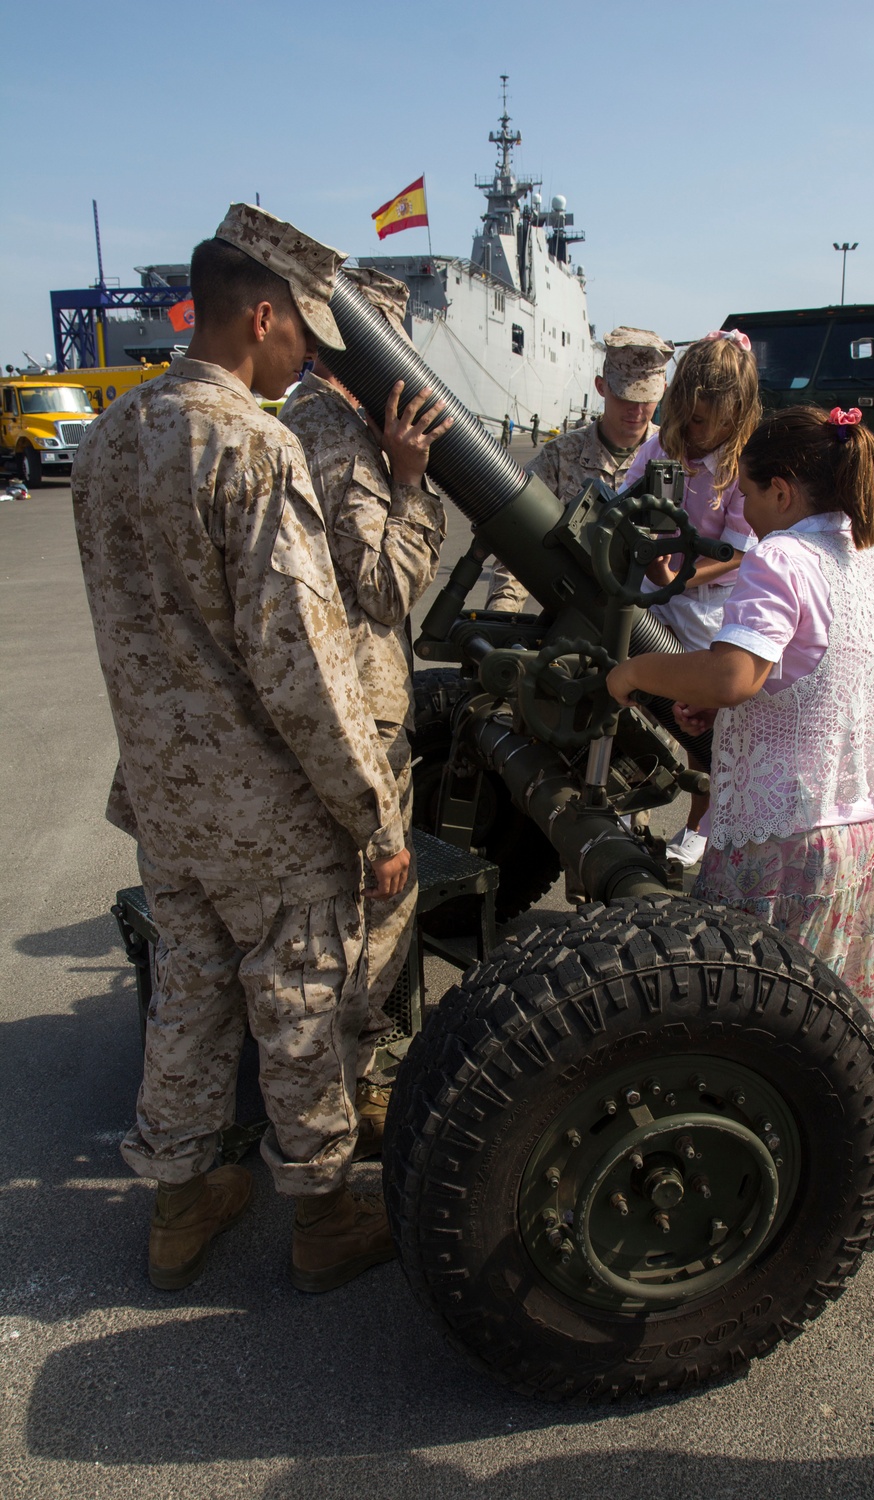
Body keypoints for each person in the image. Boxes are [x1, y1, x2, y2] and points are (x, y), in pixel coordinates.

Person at [72, 202, 427, 1296]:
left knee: (191, 989)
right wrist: (372, 815)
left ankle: (182, 1204)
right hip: (269, 809)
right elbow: (304, 664)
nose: (307, 353)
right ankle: (322, 1215)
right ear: (261, 316)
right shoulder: (252, 442)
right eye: (301, 332)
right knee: (301, 1000)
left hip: (168, 800)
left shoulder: (110, 438)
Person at [608, 406, 874, 1020]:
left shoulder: (783, 556)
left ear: (781, 490)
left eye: (746, 494)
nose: (745, 512)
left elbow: (732, 673)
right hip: (853, 832)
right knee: (828, 1026)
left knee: (750, 1017)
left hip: (778, 842)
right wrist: (722, 715)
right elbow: (816, 677)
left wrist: (633, 673)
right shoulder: (866, 560)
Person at [280, 273, 449, 1135]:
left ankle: (334, 1087)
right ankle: (352, 1095)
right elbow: (383, 587)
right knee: (376, 909)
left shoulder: (315, 420)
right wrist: (413, 482)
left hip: (342, 705)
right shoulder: (332, 431)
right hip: (364, 715)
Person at [618, 330, 761, 867]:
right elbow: (628, 498)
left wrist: (676, 575)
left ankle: (702, 821)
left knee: (705, 716)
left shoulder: (740, 465)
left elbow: (739, 552)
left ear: (735, 414)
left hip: (708, 603)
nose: (693, 431)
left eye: (704, 422)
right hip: (659, 587)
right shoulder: (663, 446)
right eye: (687, 416)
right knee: (640, 695)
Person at [485, 327, 673, 611]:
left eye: (646, 398)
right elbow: (518, 544)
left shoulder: (675, 457)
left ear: (664, 392)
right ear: (601, 386)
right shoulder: (559, 457)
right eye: (625, 396)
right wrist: (501, 615)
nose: (636, 410)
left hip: (652, 628)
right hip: (574, 619)